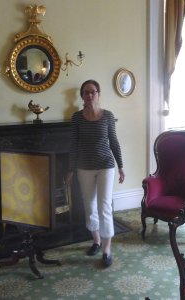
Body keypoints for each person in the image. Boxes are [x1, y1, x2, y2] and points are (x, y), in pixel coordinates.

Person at [66, 79, 125, 267]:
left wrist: (121, 166)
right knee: (89, 206)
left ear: (98, 93)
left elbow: (114, 142)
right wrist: (70, 170)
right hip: (84, 167)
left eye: (93, 91)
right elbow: (73, 145)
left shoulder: (108, 116)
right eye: (86, 92)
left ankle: (107, 248)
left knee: (104, 206)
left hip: (106, 166)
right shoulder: (76, 117)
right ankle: (96, 240)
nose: (89, 95)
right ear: (82, 96)